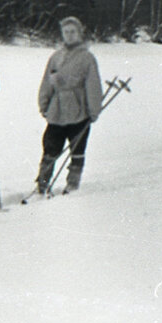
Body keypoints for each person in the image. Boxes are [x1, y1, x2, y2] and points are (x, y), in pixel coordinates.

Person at [35, 16, 104, 195]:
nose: (70, 35)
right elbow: (47, 82)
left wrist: (94, 110)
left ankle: (72, 183)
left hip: (78, 110)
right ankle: (42, 183)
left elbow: (93, 85)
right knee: (50, 146)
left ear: (79, 33)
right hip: (57, 110)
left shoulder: (87, 58)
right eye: (66, 32)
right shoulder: (56, 57)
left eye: (73, 32)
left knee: (77, 148)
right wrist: (44, 103)